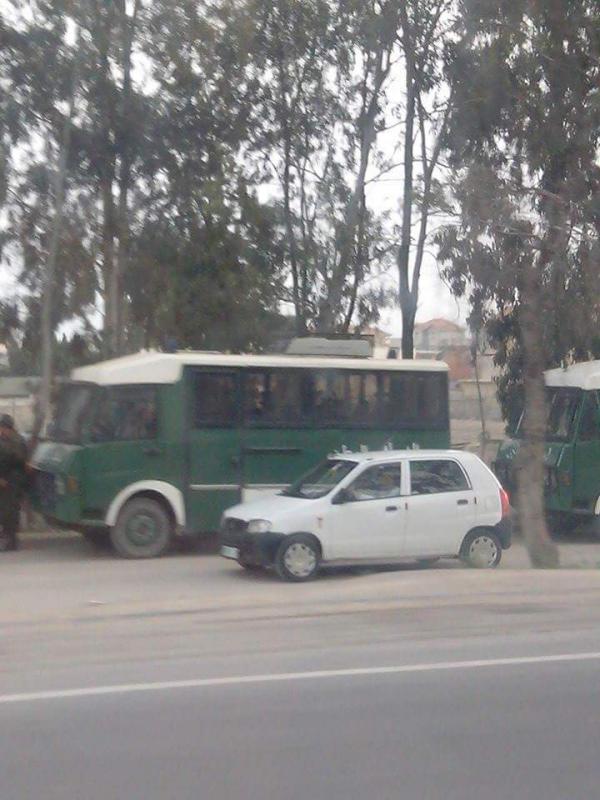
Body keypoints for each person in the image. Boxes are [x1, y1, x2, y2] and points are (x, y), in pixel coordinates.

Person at [0, 415, 28, 552]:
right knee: (5, 511)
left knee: (10, 511)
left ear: (8, 428)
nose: (1, 431)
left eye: (2, 428)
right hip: (5, 479)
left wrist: (4, 478)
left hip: (12, 480)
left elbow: (17, 461)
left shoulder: (16, 441)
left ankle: (11, 540)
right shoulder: (5, 440)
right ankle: (7, 536)